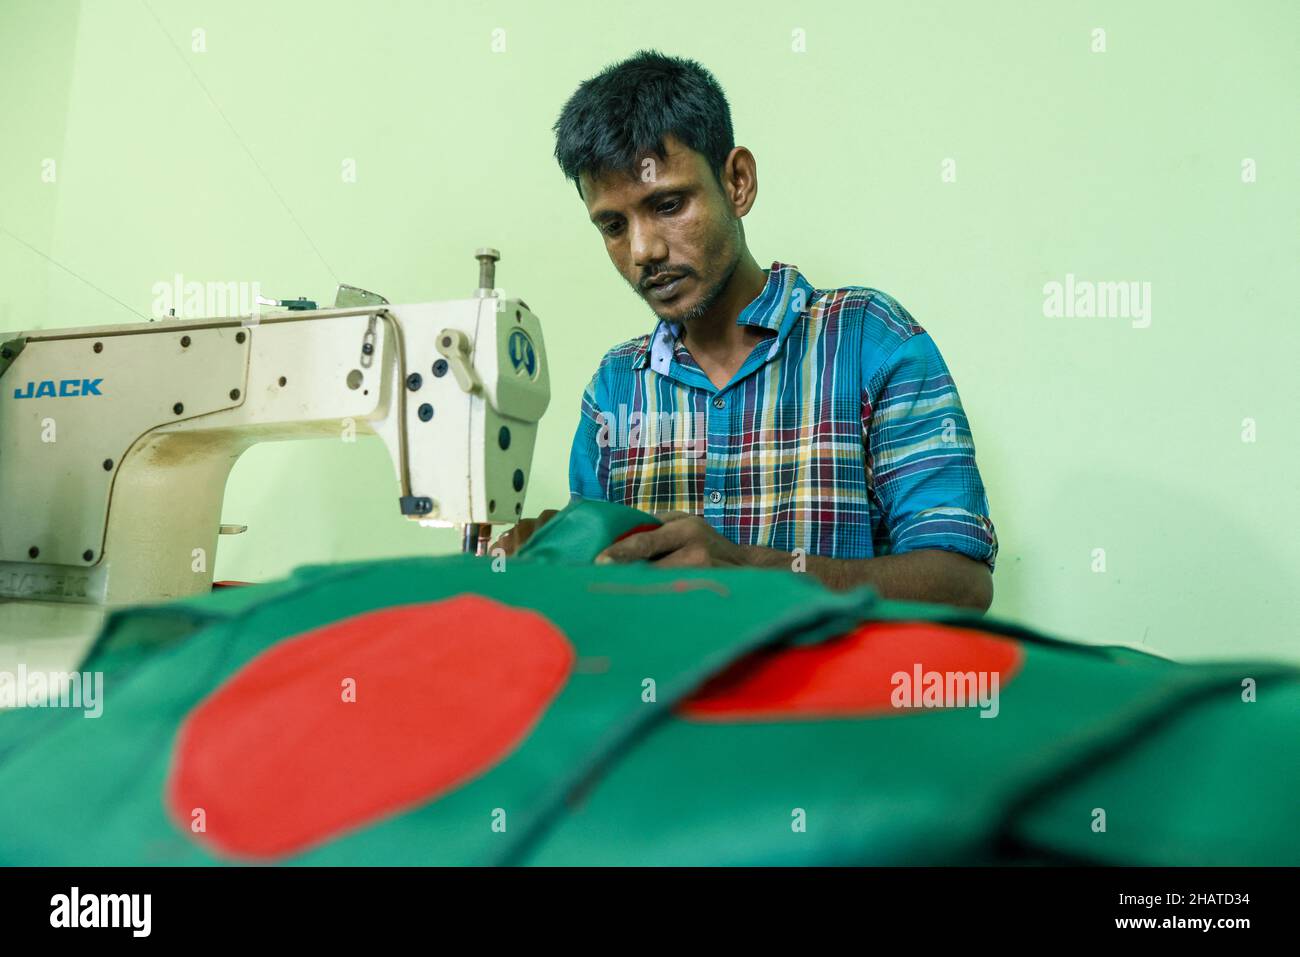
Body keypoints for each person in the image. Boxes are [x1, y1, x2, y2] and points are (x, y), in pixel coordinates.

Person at [495, 50, 997, 612]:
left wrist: (748, 569)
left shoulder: (870, 341)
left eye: (667, 204)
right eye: (613, 225)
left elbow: (961, 585)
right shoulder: (613, 389)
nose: (643, 251)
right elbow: (594, 601)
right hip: (662, 698)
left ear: (737, 182)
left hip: (834, 701)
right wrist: (550, 560)